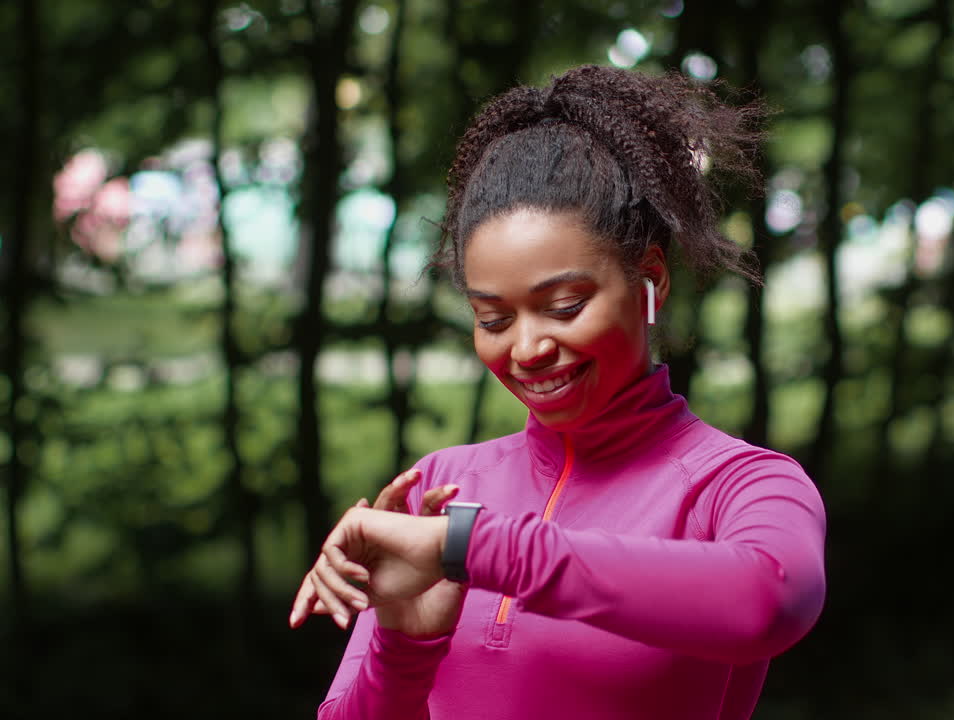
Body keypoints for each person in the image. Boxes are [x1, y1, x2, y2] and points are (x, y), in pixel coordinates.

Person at [289, 64, 827, 720]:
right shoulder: (440, 487)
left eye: (565, 306)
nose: (526, 348)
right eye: (492, 318)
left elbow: (768, 601)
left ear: (650, 281)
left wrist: (472, 548)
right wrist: (405, 643)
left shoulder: (738, 485)